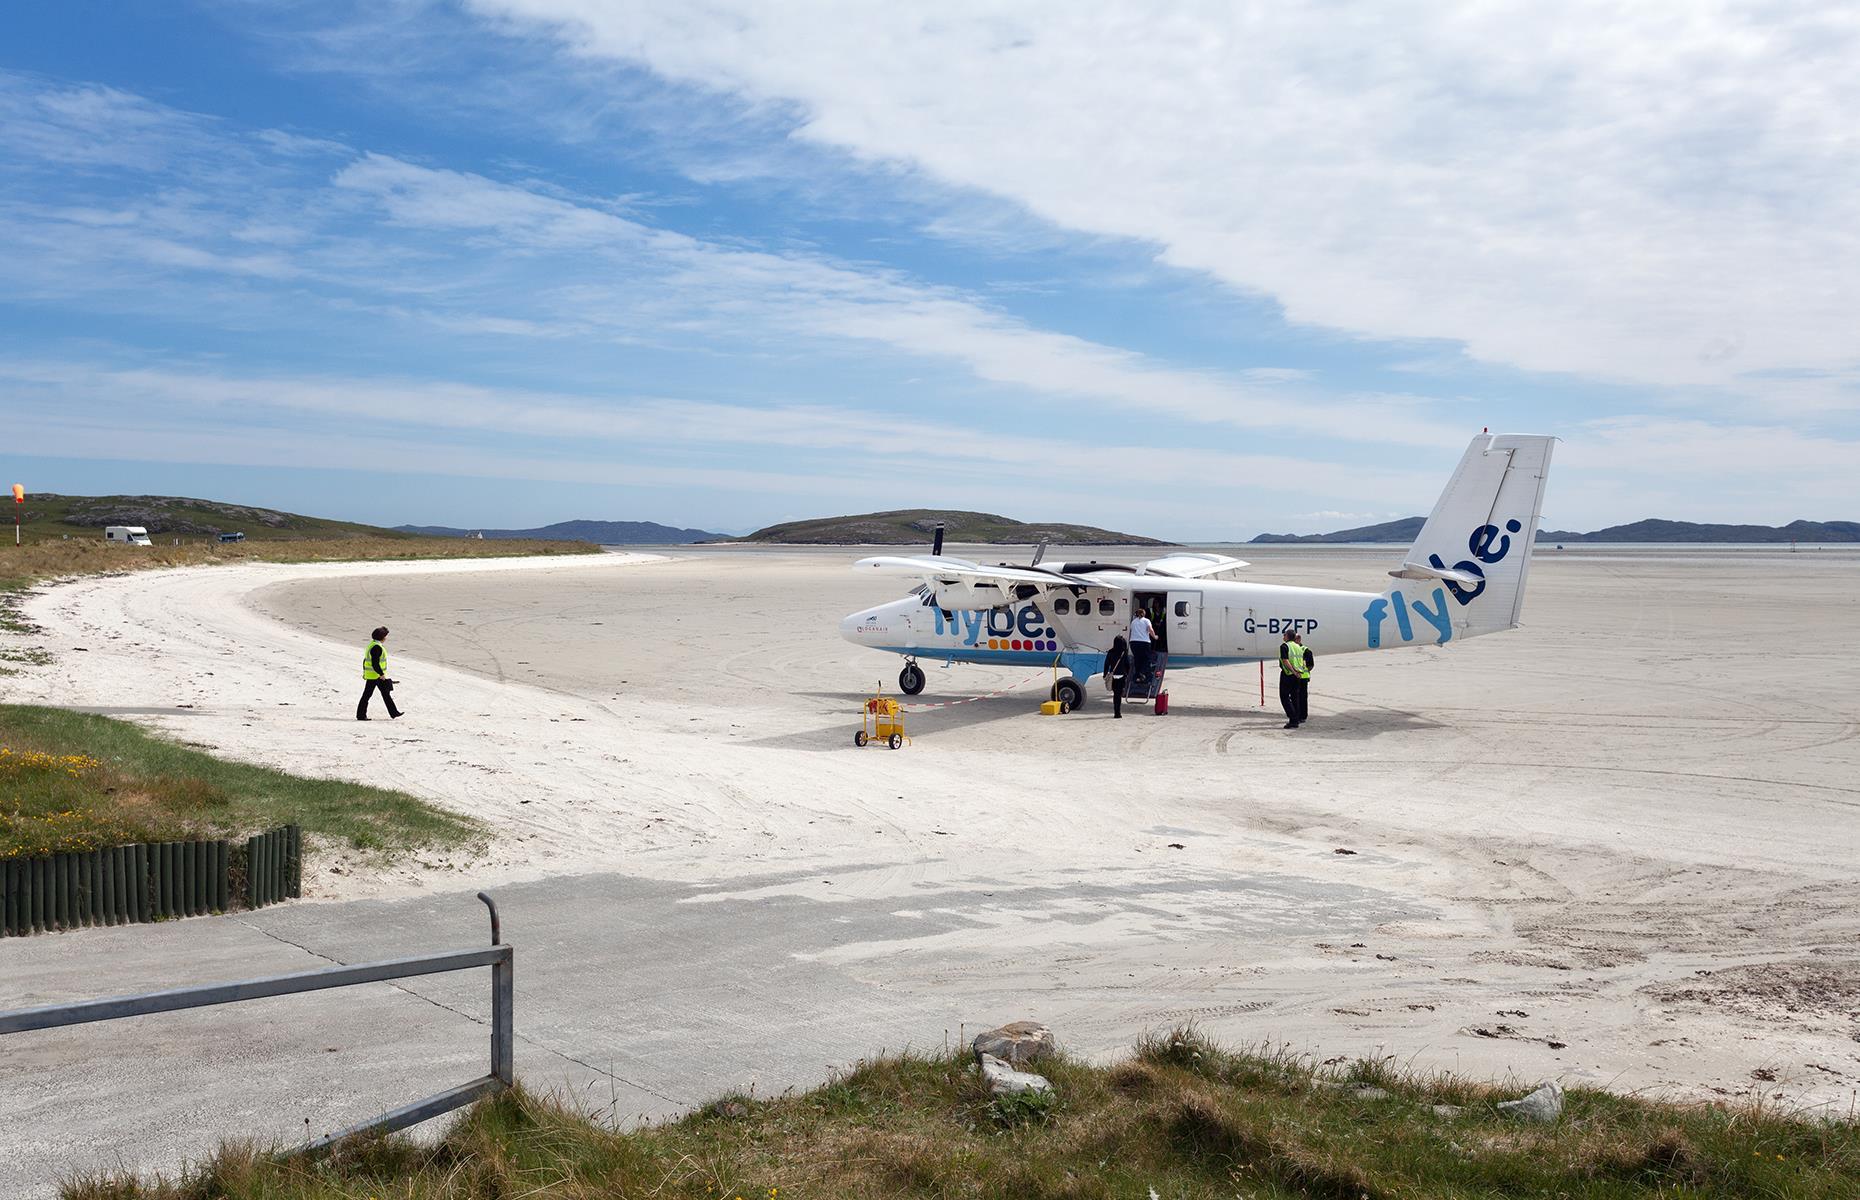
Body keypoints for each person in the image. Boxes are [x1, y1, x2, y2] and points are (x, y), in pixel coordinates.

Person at [357, 626, 403, 720]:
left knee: (385, 693)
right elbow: (375, 663)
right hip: (375, 675)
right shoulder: (376, 647)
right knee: (367, 695)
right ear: (382, 637)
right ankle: (361, 715)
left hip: (374, 675)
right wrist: (381, 674)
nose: (386, 638)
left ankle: (394, 712)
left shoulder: (373, 644)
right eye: (386, 636)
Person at [1278, 630, 1313, 728]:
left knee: (1284, 697)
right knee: (1295, 698)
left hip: (1288, 674)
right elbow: (1301, 662)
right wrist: (1298, 672)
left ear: (1288, 636)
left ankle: (1293, 719)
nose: (1283, 637)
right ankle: (1297, 718)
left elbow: (1285, 660)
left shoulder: (1284, 646)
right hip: (1298, 676)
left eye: (1284, 635)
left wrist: (1293, 671)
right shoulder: (1298, 647)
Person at [1128, 606, 1156, 693]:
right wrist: (1155, 637)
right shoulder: (1146, 620)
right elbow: (1150, 630)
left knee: (1137, 659)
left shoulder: (1133, 622)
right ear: (1144, 614)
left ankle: (1137, 676)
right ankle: (1145, 676)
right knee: (1146, 659)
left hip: (1133, 643)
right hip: (1144, 642)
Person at [1103, 635, 1131, 719]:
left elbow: (1106, 664)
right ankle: (1118, 713)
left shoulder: (1110, 652)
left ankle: (1116, 712)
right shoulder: (1123, 652)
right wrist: (1128, 673)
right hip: (1122, 675)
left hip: (1113, 676)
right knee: (1119, 694)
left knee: (1116, 695)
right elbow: (1127, 664)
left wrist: (1105, 674)